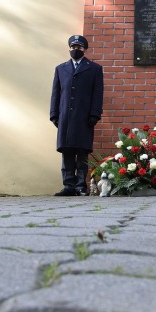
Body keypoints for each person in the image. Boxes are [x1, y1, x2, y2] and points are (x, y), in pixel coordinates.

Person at [50, 35, 104, 196]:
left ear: (84, 49)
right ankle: (68, 185)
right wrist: (54, 114)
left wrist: (95, 114)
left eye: (79, 48)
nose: (75, 50)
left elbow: (97, 93)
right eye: (73, 47)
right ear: (69, 49)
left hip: (84, 117)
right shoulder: (61, 69)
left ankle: (81, 185)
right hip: (65, 116)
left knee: (82, 152)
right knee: (67, 151)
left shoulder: (94, 68)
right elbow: (56, 93)